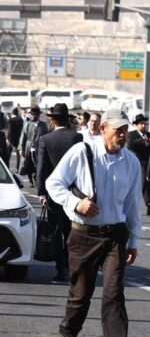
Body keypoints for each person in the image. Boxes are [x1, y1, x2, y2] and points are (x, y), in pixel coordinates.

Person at [48, 108, 142, 337]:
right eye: (118, 129)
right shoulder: (82, 152)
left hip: (115, 235)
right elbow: (53, 183)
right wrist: (75, 203)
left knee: (114, 291)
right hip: (84, 234)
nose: (122, 134)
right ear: (103, 129)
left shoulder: (131, 161)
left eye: (125, 130)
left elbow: (133, 203)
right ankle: (69, 335)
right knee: (81, 291)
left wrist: (134, 240)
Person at [36, 104, 84, 283]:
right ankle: (72, 266)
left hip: (53, 193)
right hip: (74, 192)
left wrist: (41, 192)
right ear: (67, 119)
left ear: (52, 120)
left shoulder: (46, 139)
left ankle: (61, 268)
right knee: (71, 231)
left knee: (56, 232)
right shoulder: (77, 137)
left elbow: (41, 168)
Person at [126, 115, 150, 215]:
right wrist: (144, 140)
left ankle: (149, 205)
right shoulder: (132, 134)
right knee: (141, 183)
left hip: (149, 163)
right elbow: (130, 145)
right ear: (136, 125)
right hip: (138, 162)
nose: (143, 126)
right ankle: (133, 204)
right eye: (141, 124)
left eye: (144, 124)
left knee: (148, 184)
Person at [19, 105, 47, 185]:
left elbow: (46, 137)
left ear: (38, 115)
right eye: (31, 114)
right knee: (28, 165)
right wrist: (21, 149)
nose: (32, 116)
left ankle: (36, 177)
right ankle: (30, 179)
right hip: (28, 147)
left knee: (39, 164)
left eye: (33, 114)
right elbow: (23, 136)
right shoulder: (28, 124)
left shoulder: (43, 125)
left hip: (39, 147)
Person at [8, 107, 23, 172]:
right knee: (18, 155)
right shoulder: (21, 120)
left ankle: (7, 167)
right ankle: (17, 168)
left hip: (11, 139)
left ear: (13, 112)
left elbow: (9, 131)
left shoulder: (11, 120)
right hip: (19, 139)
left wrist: (8, 139)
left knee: (8, 155)